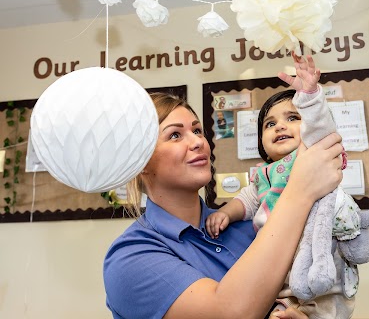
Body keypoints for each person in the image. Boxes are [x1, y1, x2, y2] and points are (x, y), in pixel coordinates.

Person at [103, 81, 344, 318]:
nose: (198, 142)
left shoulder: (249, 228)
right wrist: (301, 189)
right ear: (140, 162)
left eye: (197, 131)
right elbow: (228, 312)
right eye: (175, 135)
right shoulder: (130, 258)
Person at [206, 55, 356, 318]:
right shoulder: (263, 175)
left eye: (293, 118)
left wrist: (310, 95)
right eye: (270, 124)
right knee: (282, 292)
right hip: (279, 252)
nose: (280, 126)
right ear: (261, 141)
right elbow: (248, 199)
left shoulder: (311, 154)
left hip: (318, 248)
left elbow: (322, 127)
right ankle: (288, 311)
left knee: (328, 293)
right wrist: (226, 213)